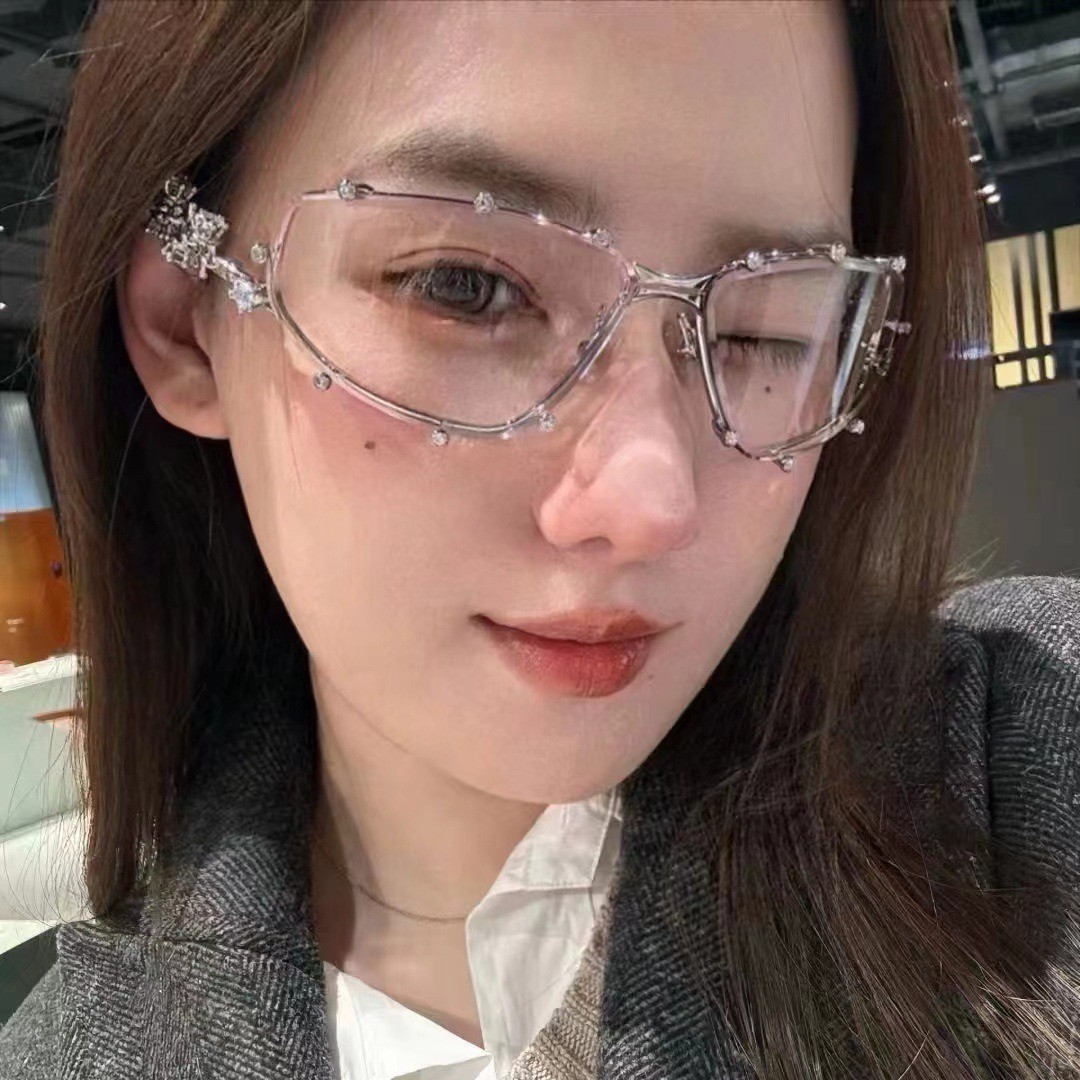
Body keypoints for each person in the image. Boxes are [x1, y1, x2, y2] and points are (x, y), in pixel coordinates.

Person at [2, 1, 1079, 1077]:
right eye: (465, 289)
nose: (652, 502)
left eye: (767, 329)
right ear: (189, 323)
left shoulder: (1027, 776)